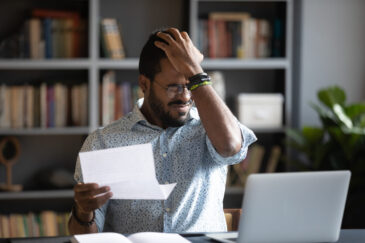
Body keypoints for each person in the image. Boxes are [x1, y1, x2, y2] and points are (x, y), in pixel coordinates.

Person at [68, 28, 256, 234]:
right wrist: (83, 212)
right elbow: (85, 238)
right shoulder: (103, 142)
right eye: (174, 87)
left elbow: (231, 147)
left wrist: (196, 72)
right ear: (144, 84)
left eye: (190, 85)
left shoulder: (210, 129)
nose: (185, 96)